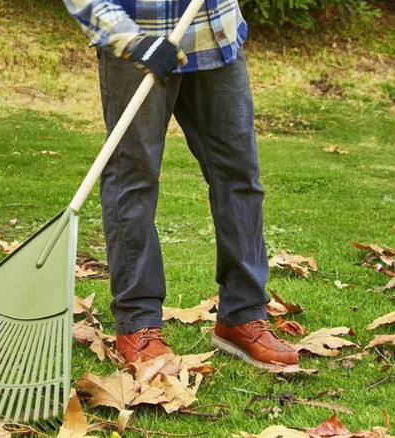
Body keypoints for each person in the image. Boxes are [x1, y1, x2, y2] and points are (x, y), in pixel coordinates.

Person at [61, 0, 299, 368]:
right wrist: (130, 40)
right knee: (132, 179)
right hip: (139, 39)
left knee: (238, 175)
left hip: (212, 33)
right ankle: (138, 324)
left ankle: (243, 313)